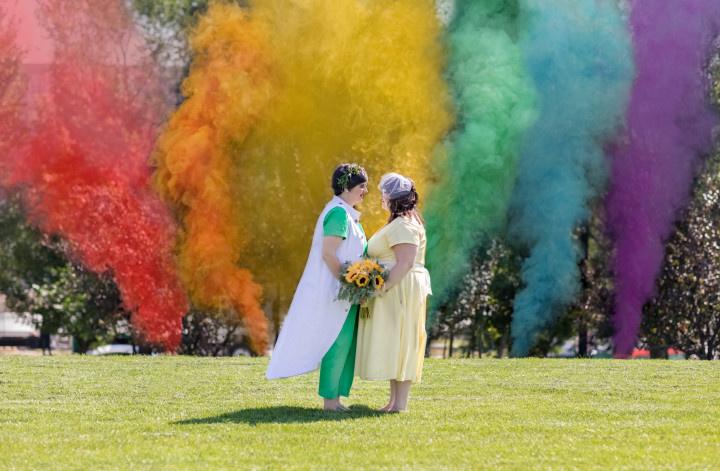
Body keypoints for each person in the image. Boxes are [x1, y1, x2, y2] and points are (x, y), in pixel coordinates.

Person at [266, 163, 368, 411]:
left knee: (344, 343)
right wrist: (350, 283)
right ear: (346, 187)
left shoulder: (346, 213)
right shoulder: (339, 214)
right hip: (336, 292)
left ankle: (336, 399)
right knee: (336, 342)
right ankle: (330, 401)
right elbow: (329, 253)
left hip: (347, 292)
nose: (366, 191)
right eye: (362, 186)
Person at [355, 172, 431, 412]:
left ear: (393, 198)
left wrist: (382, 287)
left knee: (403, 340)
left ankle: (401, 404)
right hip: (396, 287)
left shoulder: (405, 226)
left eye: (383, 194)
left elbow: (405, 263)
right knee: (396, 341)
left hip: (400, 288)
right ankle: (393, 402)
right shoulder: (400, 223)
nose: (381, 198)